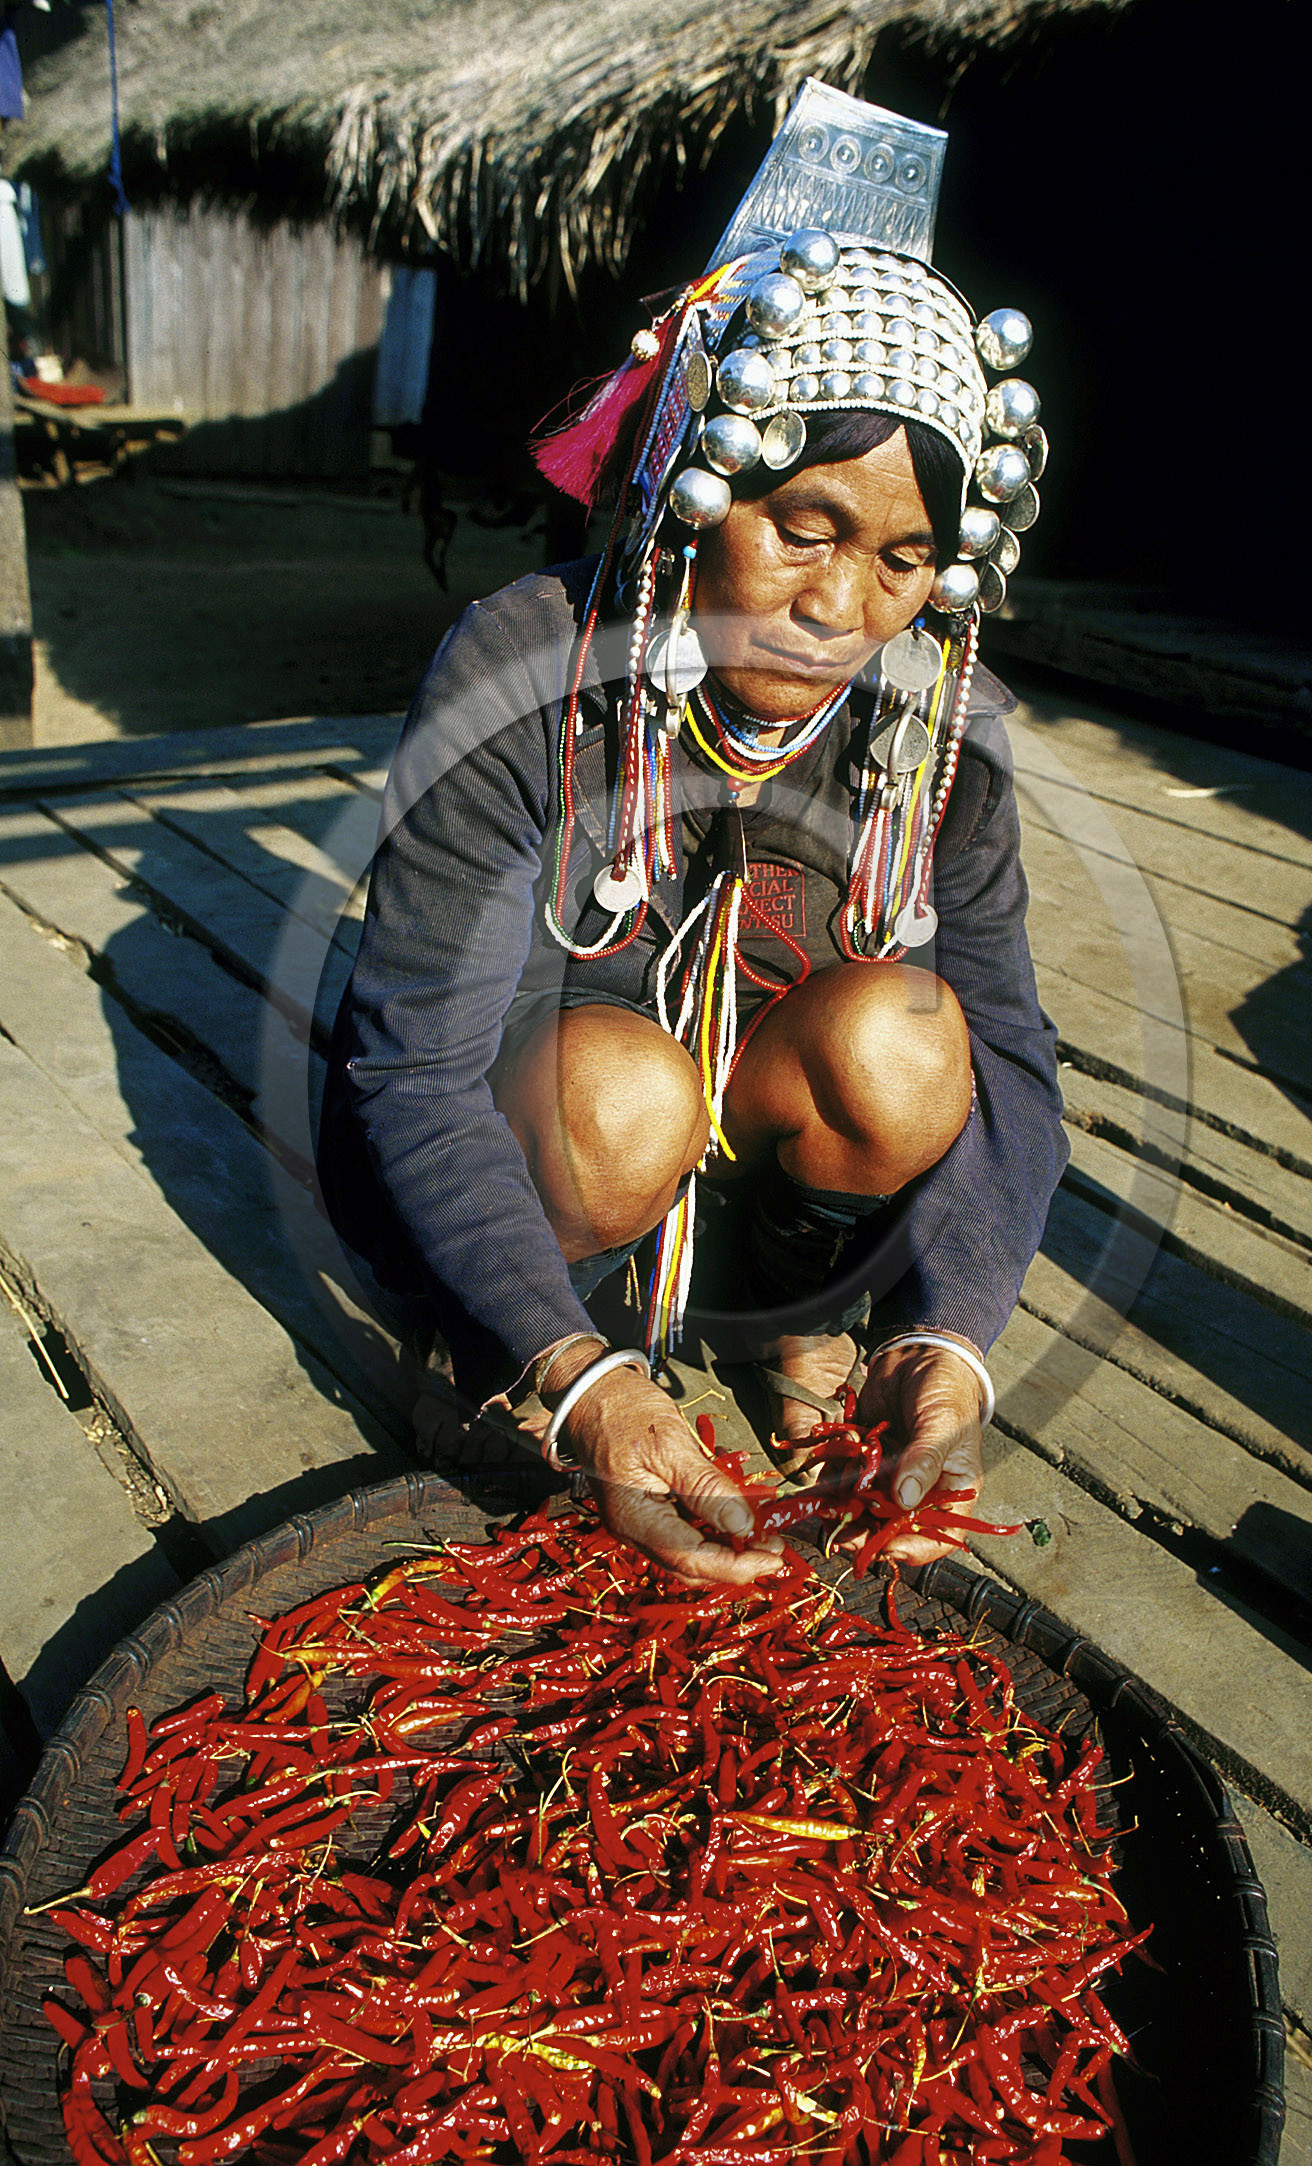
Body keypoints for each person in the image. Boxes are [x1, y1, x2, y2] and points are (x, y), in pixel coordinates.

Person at [317, 85, 1066, 1587]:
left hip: (749, 1143)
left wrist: (951, 1346)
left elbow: (1015, 1067)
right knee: (620, 1100)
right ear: (689, 489)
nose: (844, 607)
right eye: (803, 526)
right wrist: (577, 1373)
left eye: (905, 556)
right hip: (549, 1141)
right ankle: (535, 1342)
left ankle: (791, 1303)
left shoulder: (938, 735)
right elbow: (410, 1064)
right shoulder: (527, 664)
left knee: (915, 1041)